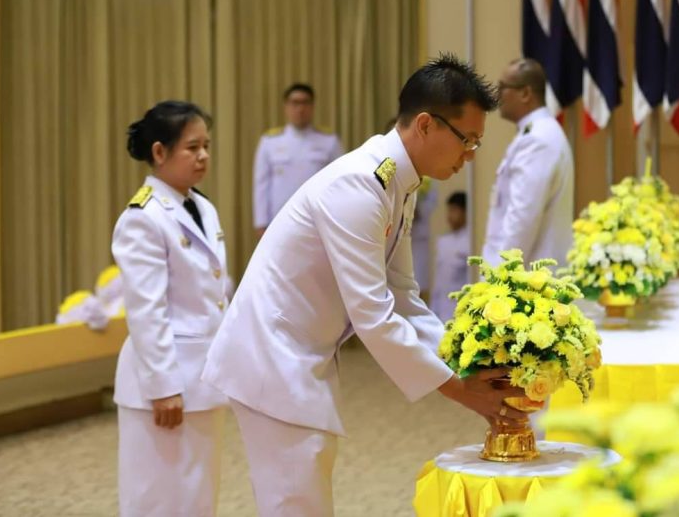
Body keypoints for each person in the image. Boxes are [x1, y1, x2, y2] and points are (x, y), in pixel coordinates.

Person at [203, 54, 528, 516]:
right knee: (295, 499)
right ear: (425, 124)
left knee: (306, 490)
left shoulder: (396, 181)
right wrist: (460, 390)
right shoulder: (358, 185)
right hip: (272, 355)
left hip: (302, 352)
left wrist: (463, 361)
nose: (470, 155)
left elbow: (403, 295)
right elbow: (373, 314)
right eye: (467, 140)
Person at [112, 101, 230, 517]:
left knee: (197, 494)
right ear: (159, 152)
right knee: (157, 497)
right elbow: (146, 309)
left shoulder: (201, 206)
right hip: (164, 383)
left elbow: (215, 290)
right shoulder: (143, 217)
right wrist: (163, 386)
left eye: (206, 146)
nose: (203, 156)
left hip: (202, 378)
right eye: (192, 147)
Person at [481, 58, 574, 267]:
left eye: (503, 87)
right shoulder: (535, 132)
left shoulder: (538, 139)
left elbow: (522, 218)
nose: (497, 94)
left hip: (528, 278)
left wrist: (501, 273)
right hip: (528, 274)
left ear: (525, 93)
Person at [252, 83, 344, 236]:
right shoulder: (270, 141)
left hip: (319, 218)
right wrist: (261, 222)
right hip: (279, 219)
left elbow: (340, 181)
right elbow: (261, 184)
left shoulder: (329, 141)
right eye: (295, 103)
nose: (300, 109)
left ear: (313, 106)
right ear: (286, 107)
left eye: (305, 103)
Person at [429, 191, 470, 322]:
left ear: (465, 212)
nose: (450, 216)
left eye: (454, 210)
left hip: (461, 311)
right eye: (449, 211)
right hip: (441, 311)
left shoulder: (470, 242)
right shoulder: (443, 241)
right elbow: (438, 281)